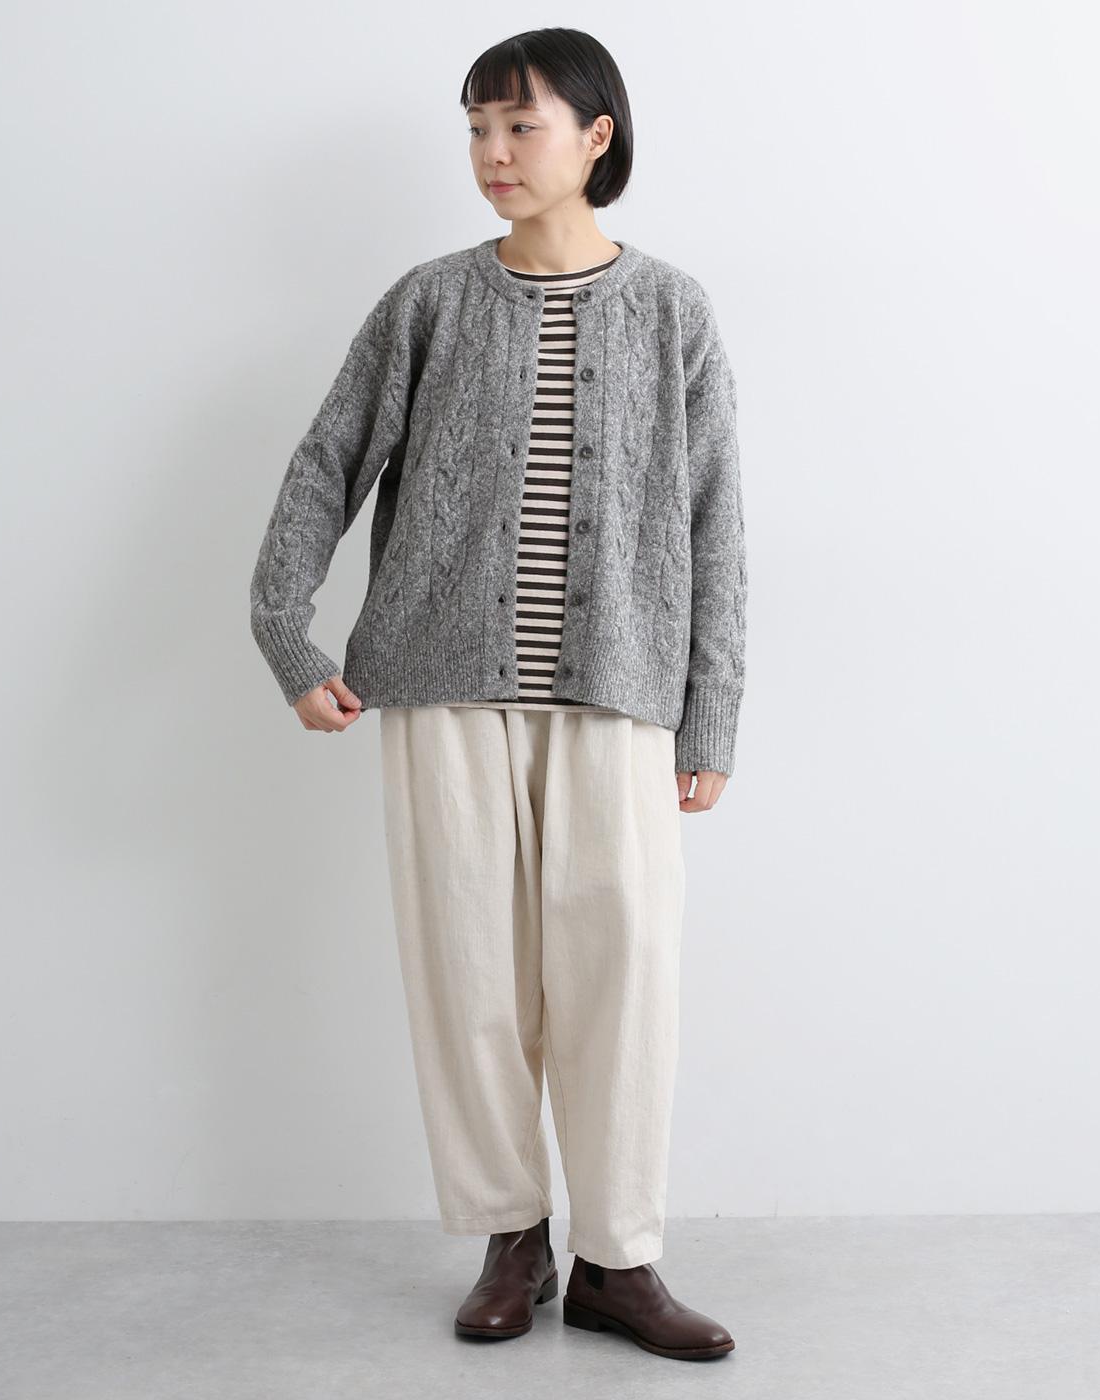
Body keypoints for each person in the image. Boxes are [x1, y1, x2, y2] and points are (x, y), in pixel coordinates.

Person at [249, 27, 746, 1363]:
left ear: (596, 135)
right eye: (476, 127)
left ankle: (618, 1258)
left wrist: (710, 715)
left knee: (622, 974)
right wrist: (288, 634)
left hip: (620, 691)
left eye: (521, 125)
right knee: (468, 971)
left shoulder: (675, 310)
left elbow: (715, 525)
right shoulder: (427, 302)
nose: (492, 153)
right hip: (440, 686)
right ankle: (510, 1236)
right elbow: (326, 465)